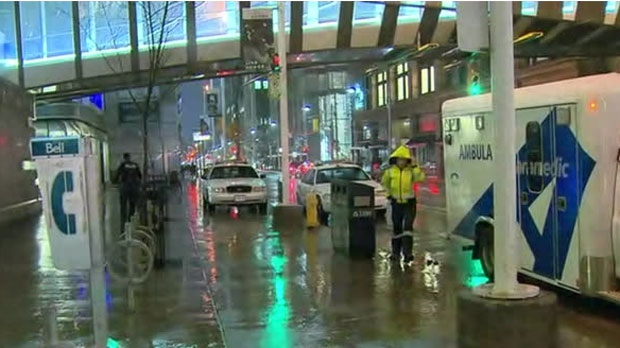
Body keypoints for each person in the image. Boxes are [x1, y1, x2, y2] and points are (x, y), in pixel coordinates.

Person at [381, 146, 426, 263]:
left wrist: (415, 167)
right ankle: (395, 253)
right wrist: (388, 194)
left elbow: (421, 178)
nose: (401, 162)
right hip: (396, 203)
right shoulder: (389, 172)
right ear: (395, 160)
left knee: (407, 228)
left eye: (404, 159)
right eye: (399, 159)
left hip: (409, 203)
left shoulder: (411, 171)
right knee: (397, 229)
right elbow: (385, 184)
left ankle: (408, 253)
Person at [115, 153, 142, 225]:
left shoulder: (123, 165)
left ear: (124, 158)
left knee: (123, 203)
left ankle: (123, 218)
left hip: (125, 187)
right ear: (129, 157)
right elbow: (140, 175)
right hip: (134, 187)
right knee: (132, 203)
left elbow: (117, 175)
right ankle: (131, 217)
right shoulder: (135, 165)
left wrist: (115, 182)